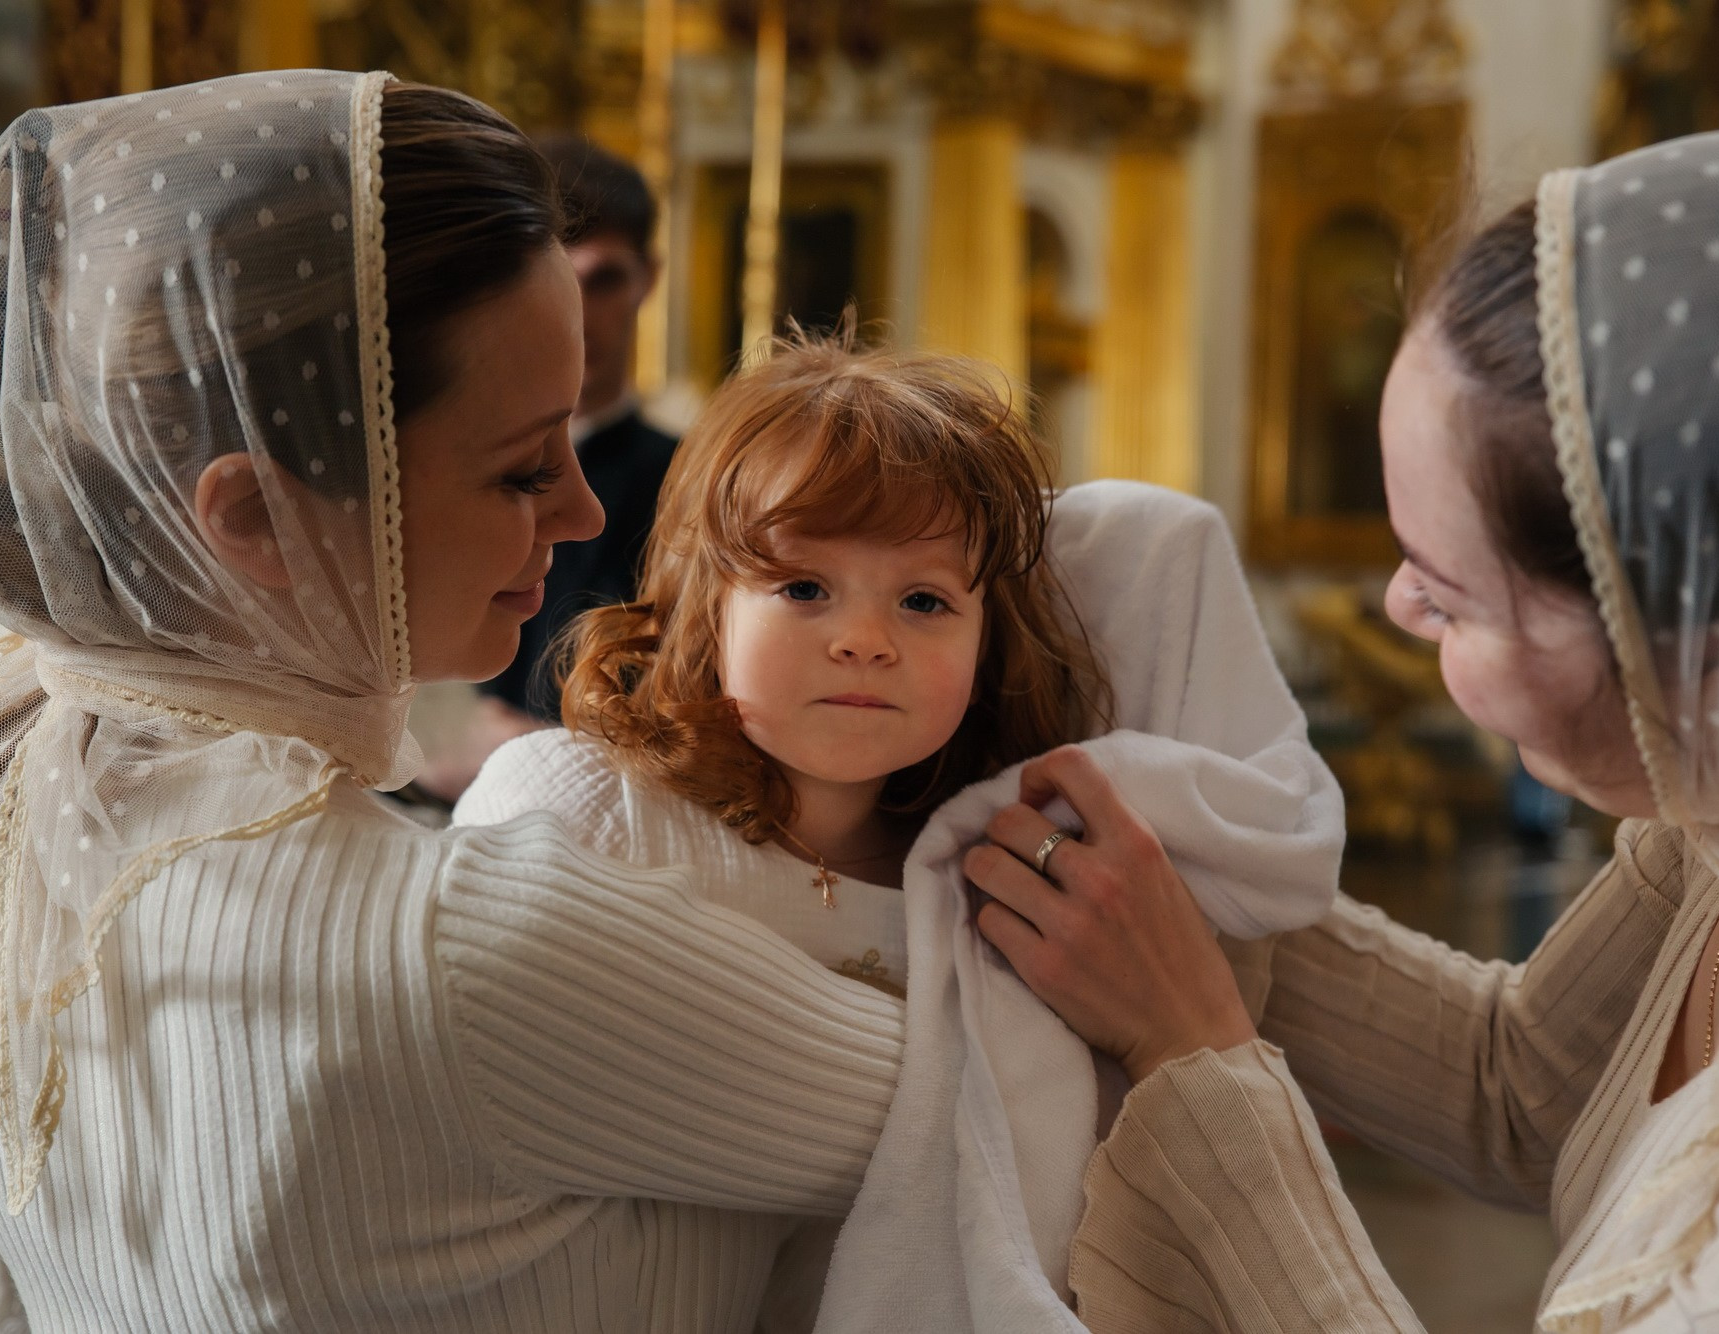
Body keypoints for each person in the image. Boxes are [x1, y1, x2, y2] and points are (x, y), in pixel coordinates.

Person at [0, 71, 924, 1331]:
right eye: (521, 469)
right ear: (258, 516)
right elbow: (985, 1133)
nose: (584, 511)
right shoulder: (466, 948)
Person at [968, 126, 1719, 1330]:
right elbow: (1519, 1088)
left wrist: (1188, 1047)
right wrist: (1184, 873)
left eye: (1454, 592)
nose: (1396, 604)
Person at [453, 335, 1345, 1328]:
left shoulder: (993, 893)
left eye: (924, 600)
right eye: (803, 588)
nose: (865, 640)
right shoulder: (584, 802)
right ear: (709, 604)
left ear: (986, 642)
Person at [420, 135, 677, 800]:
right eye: (556, 276)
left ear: (648, 279)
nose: (579, 312)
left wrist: (525, 754)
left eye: (604, 279)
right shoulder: (427, 468)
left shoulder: (691, 483)